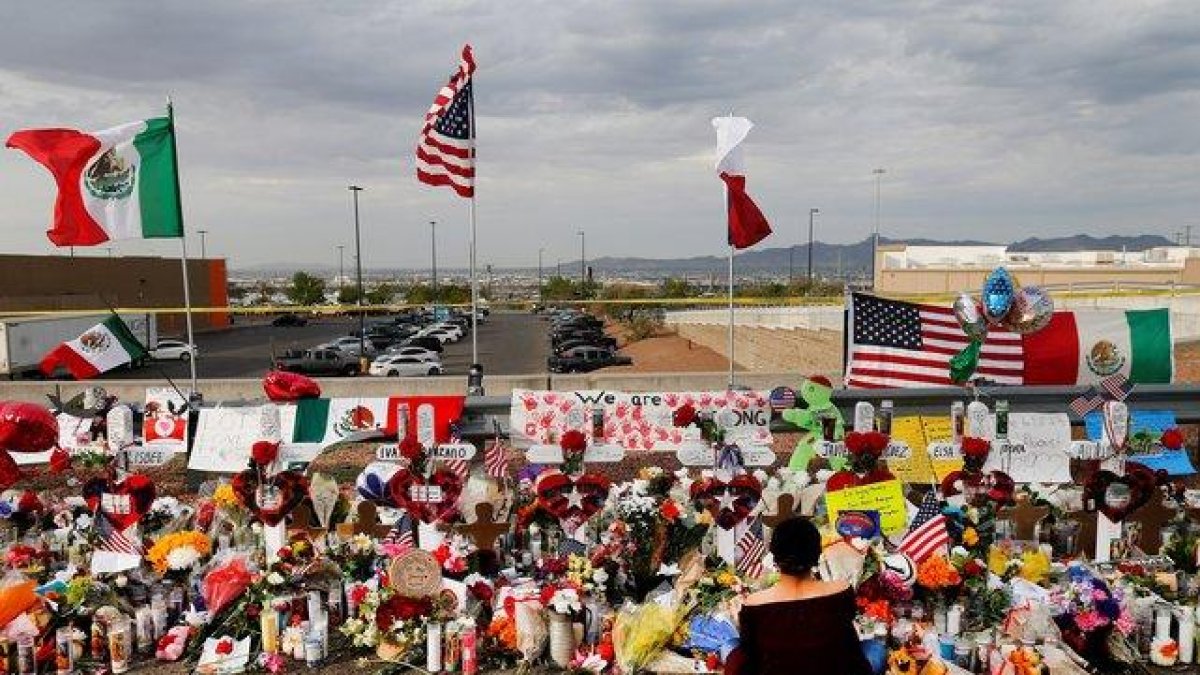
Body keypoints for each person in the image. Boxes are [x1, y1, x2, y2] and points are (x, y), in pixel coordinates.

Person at [724, 516, 872, 675]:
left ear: (774, 556)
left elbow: (750, 653)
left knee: (730, 645)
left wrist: (740, 620)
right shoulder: (841, 590)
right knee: (874, 647)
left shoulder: (753, 604)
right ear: (817, 553)